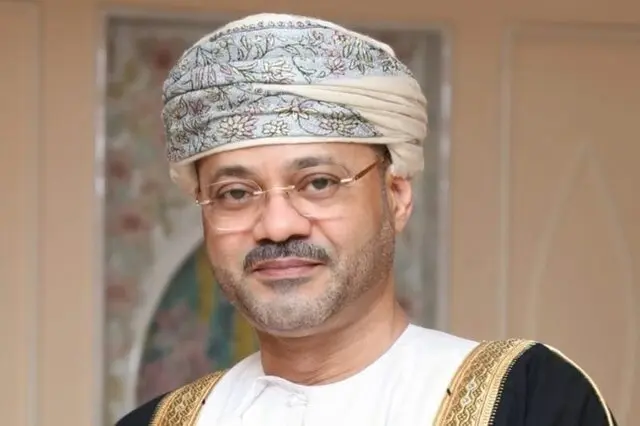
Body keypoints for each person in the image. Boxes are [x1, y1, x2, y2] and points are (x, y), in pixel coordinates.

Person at [116, 13, 617, 426]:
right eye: (236, 193)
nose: (277, 226)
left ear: (396, 196)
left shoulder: (527, 400)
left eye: (318, 183)